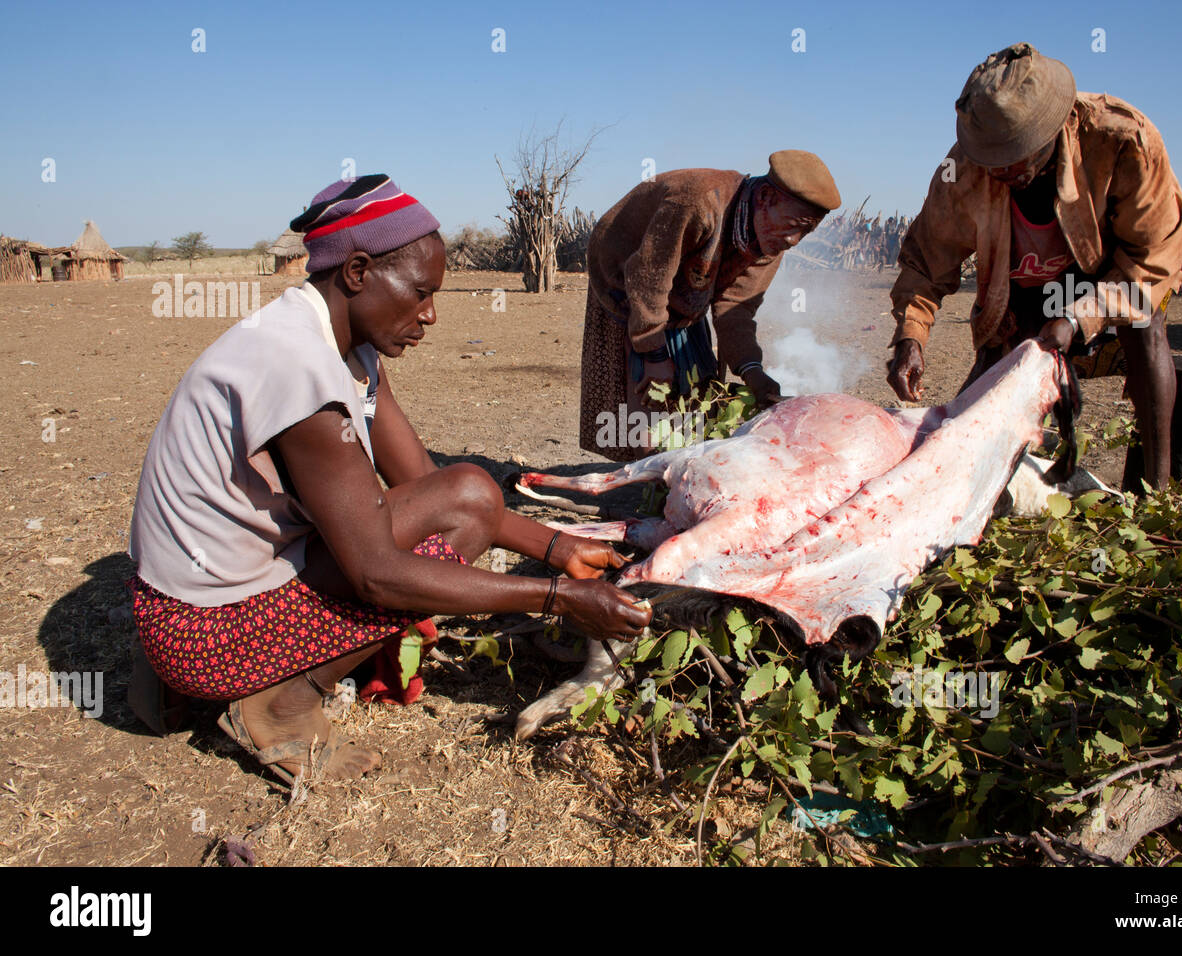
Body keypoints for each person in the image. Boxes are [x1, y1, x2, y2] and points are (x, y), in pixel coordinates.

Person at [127, 174, 651, 783]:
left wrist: (559, 548)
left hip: (226, 589)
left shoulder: (343, 344)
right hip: (200, 634)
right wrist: (558, 599)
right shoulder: (298, 367)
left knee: (471, 491)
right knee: (414, 558)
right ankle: (279, 703)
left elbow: (443, 490)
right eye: (420, 292)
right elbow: (376, 573)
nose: (430, 314)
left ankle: (284, 673)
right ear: (356, 272)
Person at [885, 44, 1182, 491]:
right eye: (993, 162)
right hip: (1027, 285)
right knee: (990, 387)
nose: (1003, 171)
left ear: (1052, 129)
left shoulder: (1121, 141)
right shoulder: (964, 170)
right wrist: (911, 337)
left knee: (1145, 325)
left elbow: (1150, 261)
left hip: (1117, 271)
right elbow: (925, 262)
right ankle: (981, 485)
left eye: (1018, 158)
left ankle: (1156, 487)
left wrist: (1077, 317)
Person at [580, 150, 841, 461]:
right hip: (626, 276)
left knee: (697, 391)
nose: (794, 240)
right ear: (766, 197)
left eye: (806, 231)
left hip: (684, 290)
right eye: (794, 225)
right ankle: (652, 471)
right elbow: (648, 278)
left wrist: (751, 369)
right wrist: (654, 353)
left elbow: (737, 307)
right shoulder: (698, 203)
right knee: (648, 390)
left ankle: (679, 462)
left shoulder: (770, 238)